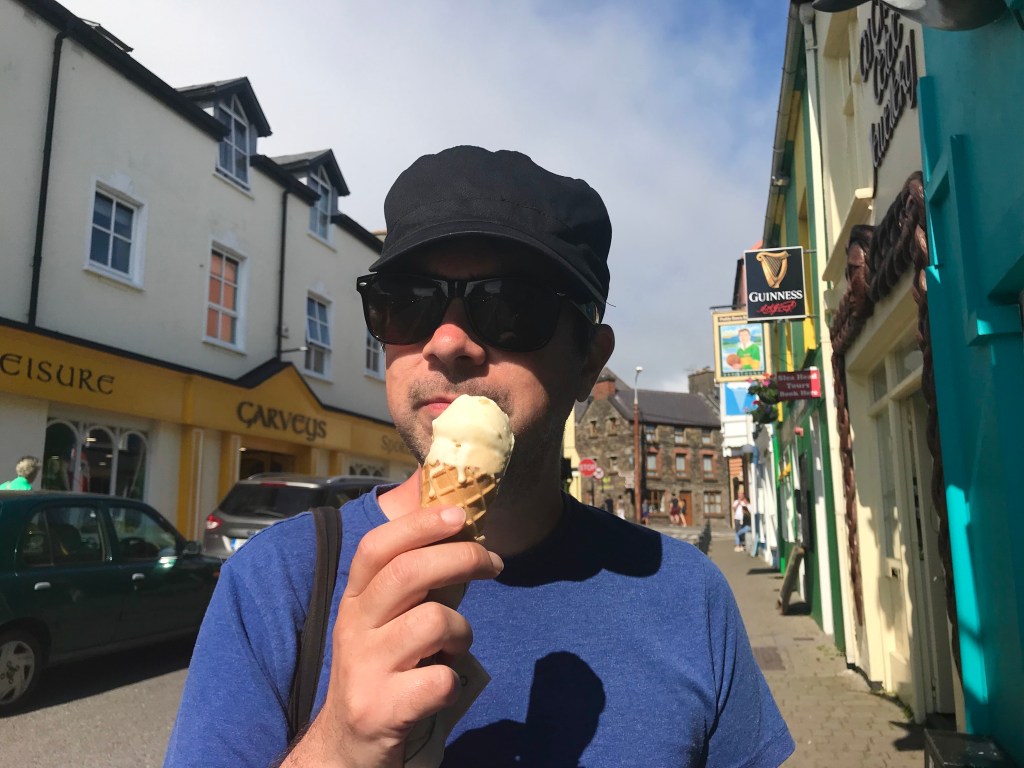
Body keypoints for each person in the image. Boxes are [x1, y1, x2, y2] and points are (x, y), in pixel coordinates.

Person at [165, 146, 794, 767]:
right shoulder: (275, 583)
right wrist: (339, 748)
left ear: (588, 362)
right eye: (406, 301)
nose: (446, 341)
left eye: (509, 305)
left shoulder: (686, 596)